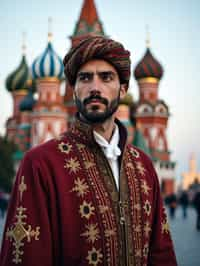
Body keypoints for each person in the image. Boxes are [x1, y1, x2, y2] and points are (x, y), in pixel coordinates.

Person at [0, 36, 177, 266]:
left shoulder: (142, 165)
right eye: (85, 78)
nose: (95, 87)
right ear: (73, 90)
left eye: (106, 77)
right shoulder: (41, 163)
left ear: (122, 90)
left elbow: (161, 252)